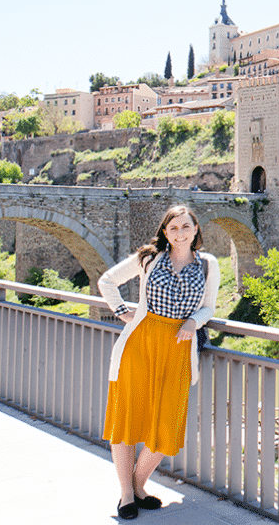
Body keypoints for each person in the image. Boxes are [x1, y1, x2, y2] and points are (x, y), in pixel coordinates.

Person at [98, 205, 220, 520]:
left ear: (195, 230)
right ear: (165, 233)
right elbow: (107, 281)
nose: (180, 233)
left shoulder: (208, 264)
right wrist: (121, 312)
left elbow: (209, 307)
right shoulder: (149, 260)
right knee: (126, 422)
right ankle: (127, 495)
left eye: (185, 227)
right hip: (140, 345)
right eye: (173, 228)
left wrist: (194, 321)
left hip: (178, 349)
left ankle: (138, 485)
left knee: (166, 425)